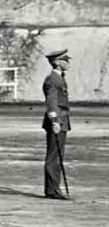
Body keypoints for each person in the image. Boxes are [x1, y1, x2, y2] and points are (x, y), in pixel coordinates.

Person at [42, 49, 72, 200]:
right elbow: (52, 102)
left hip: (61, 120)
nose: (68, 62)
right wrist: (55, 121)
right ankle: (53, 190)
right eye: (65, 59)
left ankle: (53, 189)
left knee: (56, 156)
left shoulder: (58, 78)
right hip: (57, 122)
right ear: (57, 62)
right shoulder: (53, 80)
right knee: (54, 156)